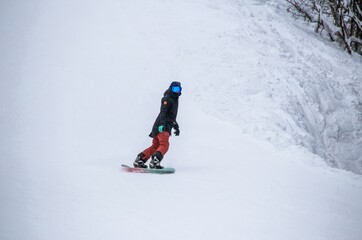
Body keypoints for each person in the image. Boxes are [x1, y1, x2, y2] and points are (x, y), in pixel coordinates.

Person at [133, 81, 182, 169]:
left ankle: (140, 159)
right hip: (163, 126)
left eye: (178, 89)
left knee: (155, 146)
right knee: (164, 145)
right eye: (174, 89)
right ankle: (155, 161)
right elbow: (163, 112)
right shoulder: (167, 98)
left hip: (161, 125)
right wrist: (162, 124)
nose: (176, 91)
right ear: (171, 88)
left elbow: (171, 115)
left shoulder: (174, 99)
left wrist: (176, 126)